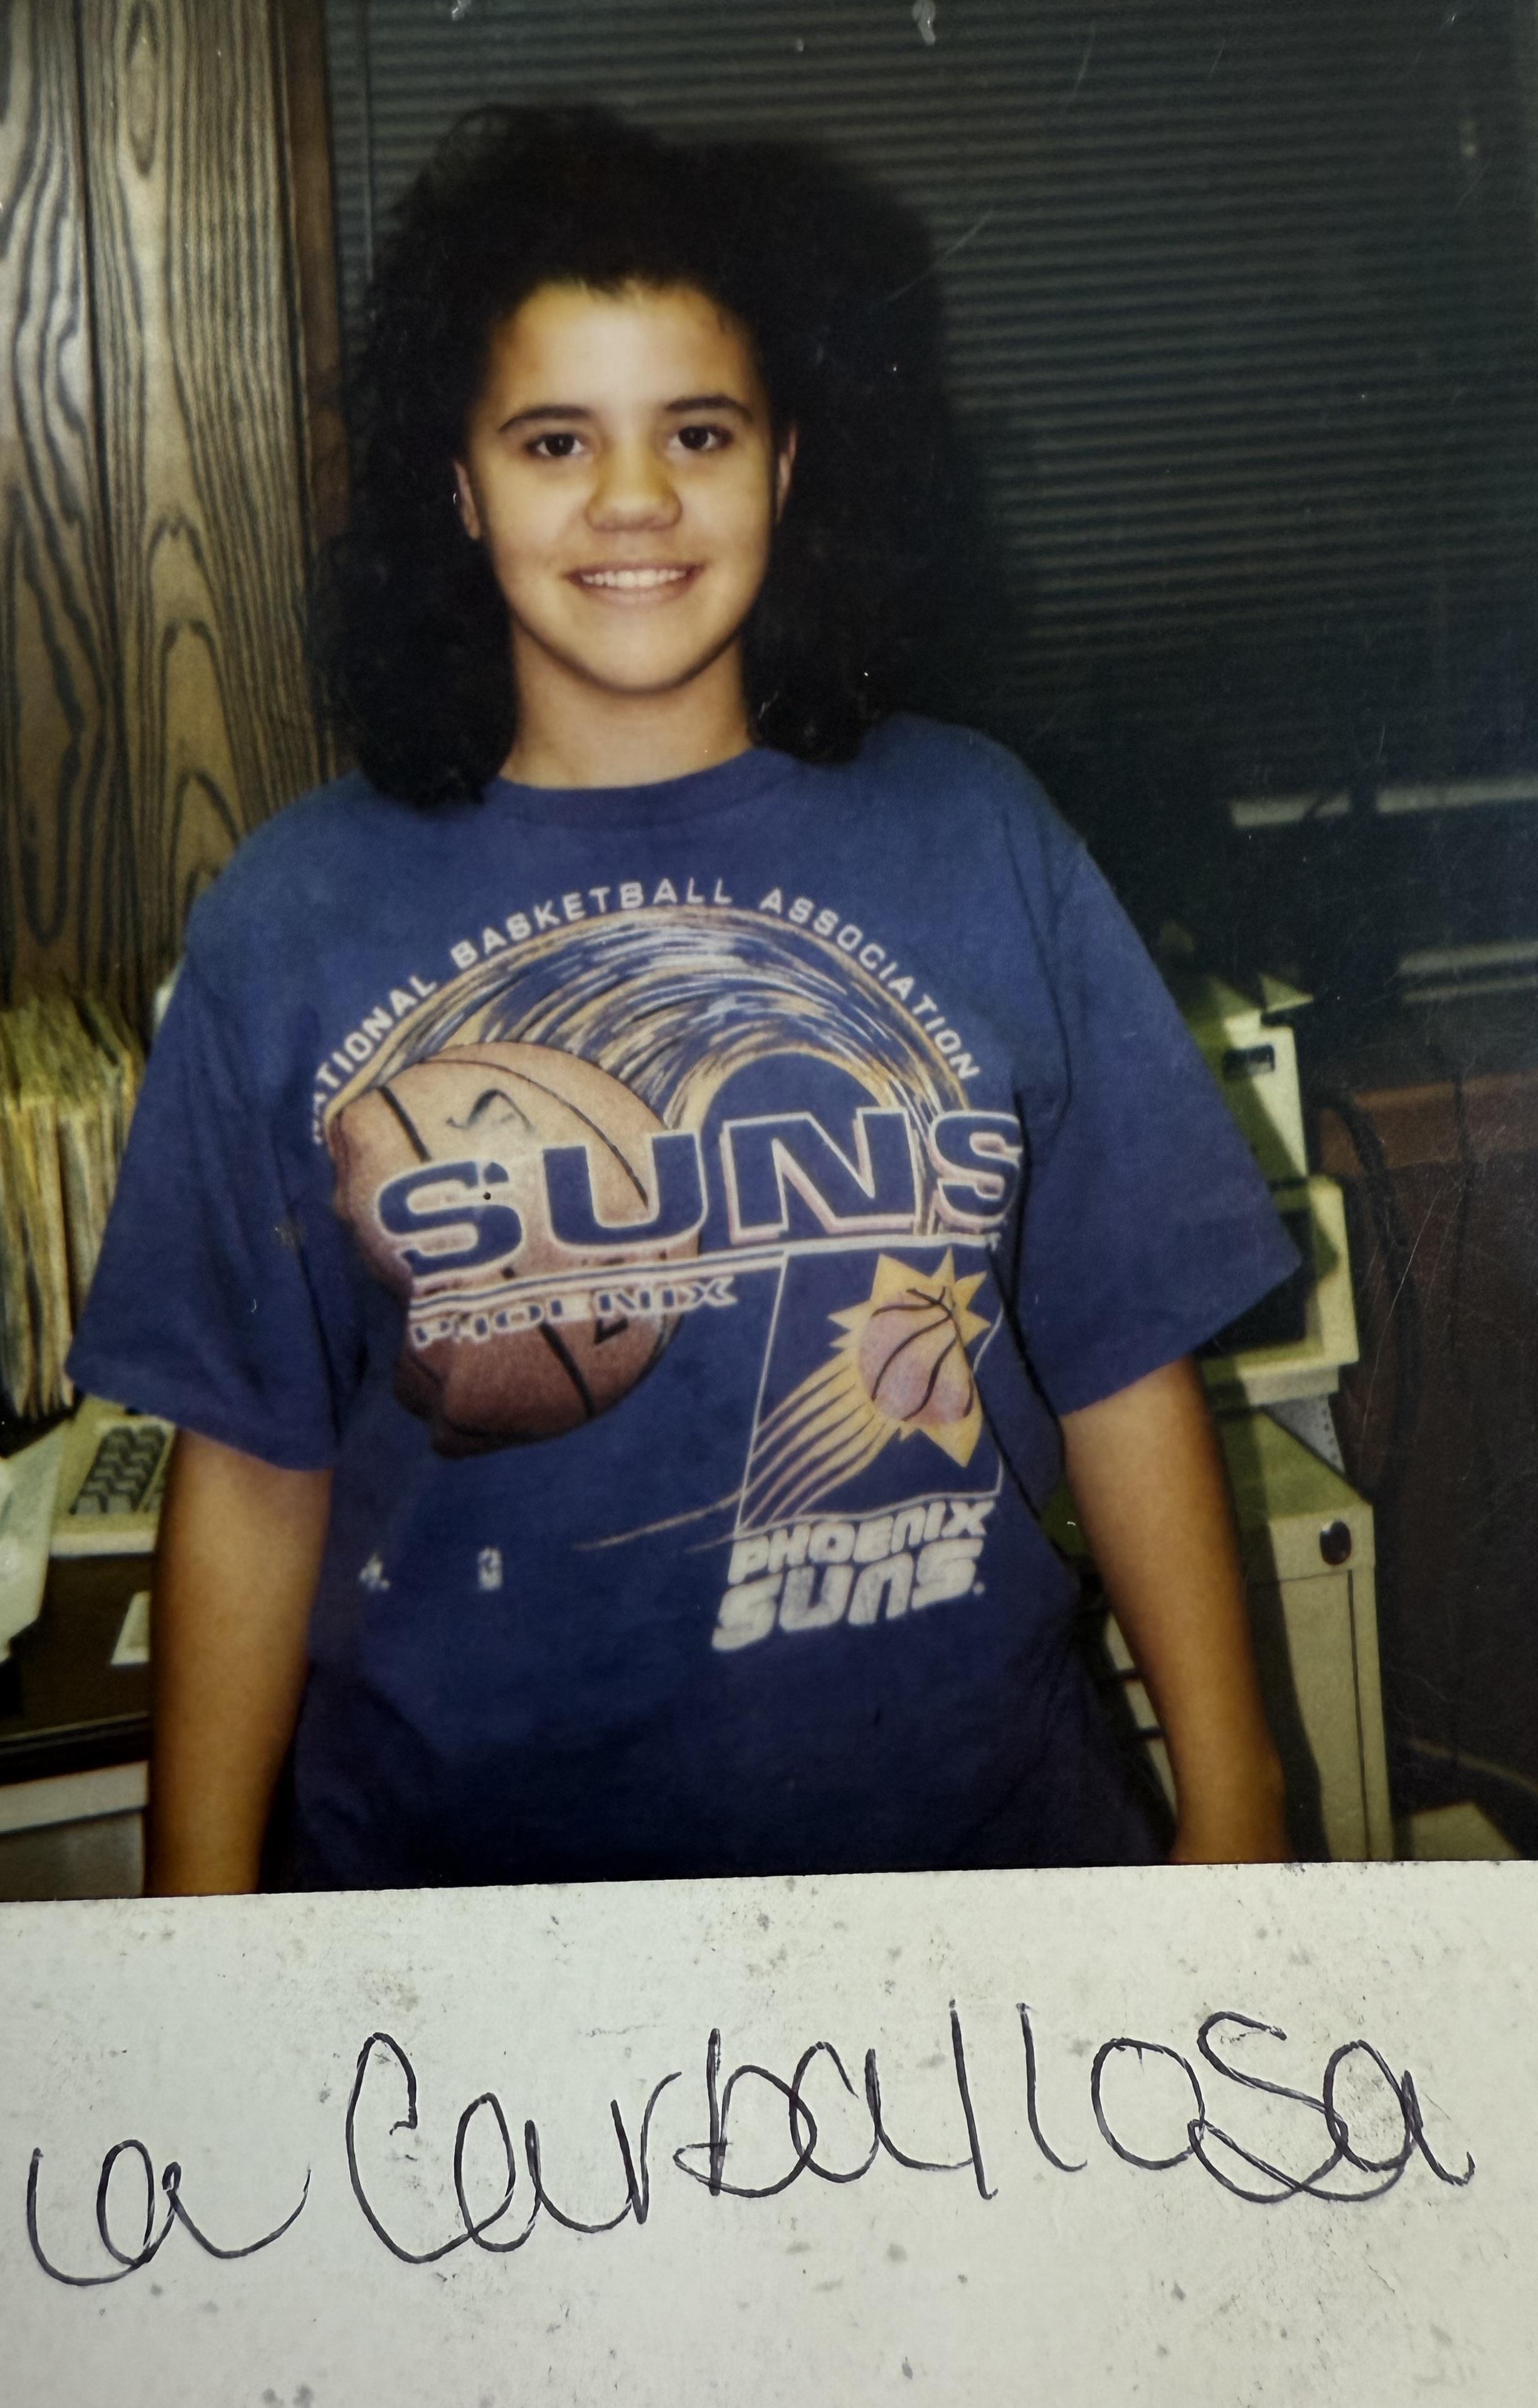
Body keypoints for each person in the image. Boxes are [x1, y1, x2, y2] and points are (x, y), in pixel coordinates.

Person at [68, 106, 1296, 1895]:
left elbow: (1122, 1362)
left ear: (785, 468)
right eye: (556, 438)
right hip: (467, 1926)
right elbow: (252, 1470)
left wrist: (1238, 1806)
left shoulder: (978, 831)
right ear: (461, 483)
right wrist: (194, 1926)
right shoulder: (295, 914)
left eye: (696, 432)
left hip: (976, 1877)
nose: (632, 501)